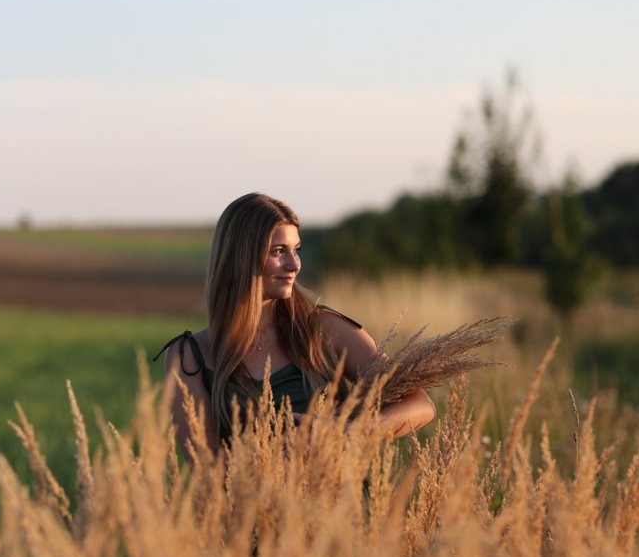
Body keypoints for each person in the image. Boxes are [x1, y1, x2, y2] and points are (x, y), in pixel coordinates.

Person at [154, 192, 435, 457]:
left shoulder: (326, 330)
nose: (294, 264)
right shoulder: (189, 356)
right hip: (252, 509)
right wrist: (277, 454)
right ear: (240, 257)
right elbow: (205, 469)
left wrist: (348, 432)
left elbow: (420, 405)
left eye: (295, 250)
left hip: (337, 505)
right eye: (279, 251)